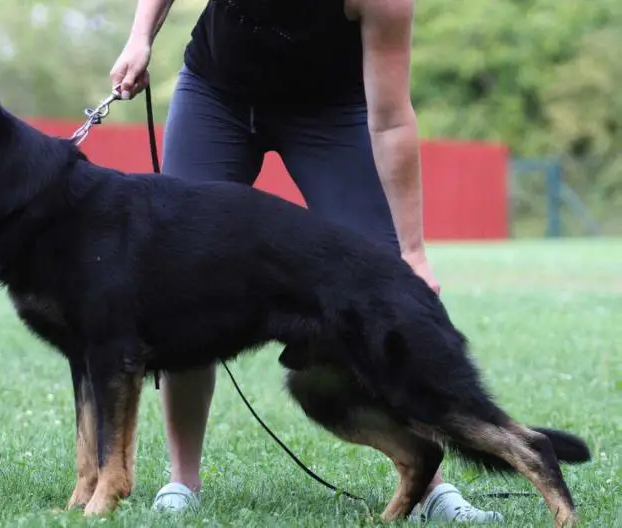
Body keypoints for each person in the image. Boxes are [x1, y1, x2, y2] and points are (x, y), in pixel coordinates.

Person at [109, 0, 503, 523]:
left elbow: (390, 121)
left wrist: (411, 251)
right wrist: (141, 36)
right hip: (216, 96)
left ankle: (430, 487)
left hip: (330, 114)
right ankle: (182, 480)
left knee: (380, 291)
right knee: (183, 278)